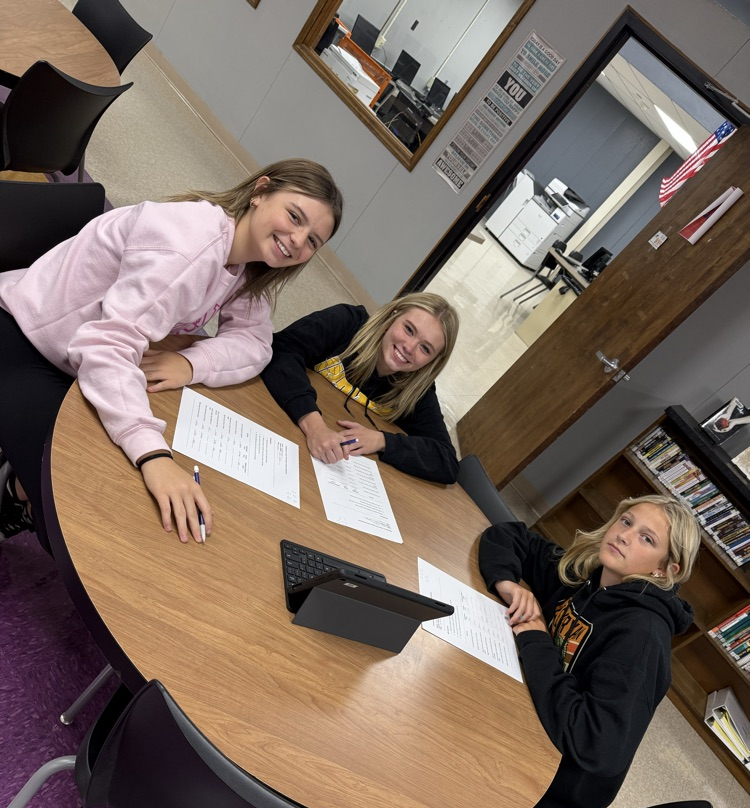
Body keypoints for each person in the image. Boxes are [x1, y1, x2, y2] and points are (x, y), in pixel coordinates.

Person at [0, 159, 343, 549]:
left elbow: (256, 345)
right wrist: (153, 456)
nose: (298, 240)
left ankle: (20, 486)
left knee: (110, 484)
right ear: (260, 193)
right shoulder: (192, 244)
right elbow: (105, 347)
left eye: (313, 240)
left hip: (74, 353)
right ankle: (17, 493)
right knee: (78, 512)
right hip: (23, 336)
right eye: (295, 216)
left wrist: (191, 363)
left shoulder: (248, 263)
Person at [478, 494, 701, 808]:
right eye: (627, 521)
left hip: (542, 795)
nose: (625, 535)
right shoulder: (591, 575)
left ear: (664, 569)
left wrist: (537, 641)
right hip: (530, 716)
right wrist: (508, 583)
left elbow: (595, 743)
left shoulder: (641, 638)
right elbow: (510, 536)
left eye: (647, 538)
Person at [260, 292, 459, 484]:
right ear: (393, 316)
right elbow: (281, 349)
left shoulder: (418, 390)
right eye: (409, 329)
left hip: (326, 470)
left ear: (432, 362)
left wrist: (382, 441)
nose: (409, 347)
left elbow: (446, 461)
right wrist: (314, 426)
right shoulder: (348, 322)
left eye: (425, 349)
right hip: (276, 422)